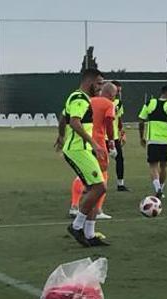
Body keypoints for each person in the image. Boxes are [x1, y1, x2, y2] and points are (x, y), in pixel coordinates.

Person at [55, 68, 108, 247]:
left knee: (93, 190)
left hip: (81, 149)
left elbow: (64, 118)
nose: (101, 87)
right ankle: (77, 226)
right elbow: (74, 122)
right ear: (90, 82)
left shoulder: (77, 97)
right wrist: (94, 143)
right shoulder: (80, 98)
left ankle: (90, 234)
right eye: (99, 83)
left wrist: (61, 136)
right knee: (100, 188)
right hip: (79, 150)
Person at [68, 82, 118, 226]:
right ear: (110, 94)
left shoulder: (88, 100)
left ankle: (74, 205)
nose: (115, 98)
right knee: (102, 176)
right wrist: (112, 143)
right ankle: (98, 209)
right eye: (114, 95)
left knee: (83, 175)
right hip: (99, 143)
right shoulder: (109, 104)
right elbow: (109, 122)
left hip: (85, 141)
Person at [139, 84, 167, 198]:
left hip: (152, 140)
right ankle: (161, 189)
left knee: (153, 166)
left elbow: (141, 120)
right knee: (164, 166)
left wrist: (141, 137)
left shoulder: (150, 103)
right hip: (166, 141)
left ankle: (157, 188)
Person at [111, 80, 129, 191]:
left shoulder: (119, 103)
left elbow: (119, 118)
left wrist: (122, 132)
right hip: (101, 137)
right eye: (117, 90)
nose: (118, 93)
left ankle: (120, 184)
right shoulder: (100, 101)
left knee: (120, 159)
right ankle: (88, 184)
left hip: (114, 137)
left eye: (119, 91)